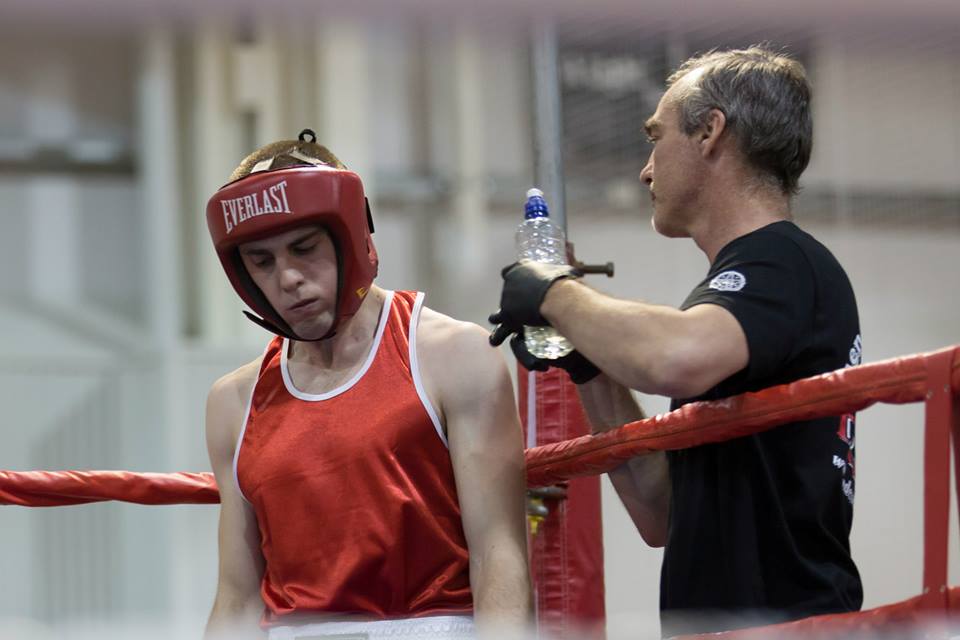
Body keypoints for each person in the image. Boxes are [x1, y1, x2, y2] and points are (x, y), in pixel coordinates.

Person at [489, 46, 863, 636]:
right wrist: (590, 365)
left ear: (710, 131)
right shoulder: (734, 296)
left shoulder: (784, 261)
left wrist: (552, 291)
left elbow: (673, 356)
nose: (645, 169)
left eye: (655, 137)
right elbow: (661, 513)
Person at [203, 130, 531, 640]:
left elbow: (499, 555)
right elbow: (237, 596)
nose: (287, 278)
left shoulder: (453, 355)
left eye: (304, 248)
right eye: (262, 262)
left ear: (352, 234)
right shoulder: (234, 402)